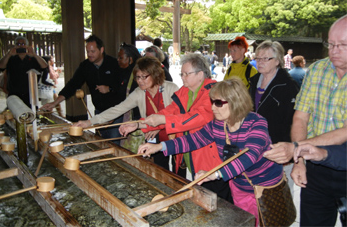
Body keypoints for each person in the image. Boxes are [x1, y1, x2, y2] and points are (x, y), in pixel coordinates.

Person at [137, 77, 283, 225]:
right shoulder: (217, 124)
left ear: (235, 101)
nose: (213, 108)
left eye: (218, 103)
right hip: (239, 186)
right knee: (245, 221)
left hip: (264, 188)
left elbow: (249, 156)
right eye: (212, 102)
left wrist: (215, 174)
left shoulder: (257, 123)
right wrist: (160, 147)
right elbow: (192, 140)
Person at [263, 15, 347, 227]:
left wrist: (297, 148)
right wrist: (299, 161)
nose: (334, 50)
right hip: (316, 165)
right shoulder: (317, 70)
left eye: (342, 45)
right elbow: (300, 116)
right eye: (331, 44)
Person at [120, 53, 233, 202]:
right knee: (203, 197)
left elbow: (197, 117)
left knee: (219, 200)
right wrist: (139, 124)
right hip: (192, 154)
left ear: (201, 74)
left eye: (187, 74)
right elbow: (169, 111)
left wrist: (163, 120)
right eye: (182, 73)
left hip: (210, 158)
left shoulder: (213, 91)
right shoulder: (185, 91)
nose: (182, 77)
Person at [74, 56, 179, 168]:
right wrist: (89, 122)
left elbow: (179, 117)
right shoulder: (139, 93)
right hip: (155, 139)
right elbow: (117, 109)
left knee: (178, 169)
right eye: (137, 77)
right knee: (161, 168)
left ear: (155, 74)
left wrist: (158, 127)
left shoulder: (171, 89)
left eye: (144, 77)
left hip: (176, 136)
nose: (139, 81)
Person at [42, 35, 121, 138]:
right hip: (98, 112)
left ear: (101, 49)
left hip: (116, 111)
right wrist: (54, 103)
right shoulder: (85, 66)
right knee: (102, 140)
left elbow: (123, 87)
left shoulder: (114, 64)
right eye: (87, 51)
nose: (89, 54)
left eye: (92, 51)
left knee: (115, 142)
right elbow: (72, 85)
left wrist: (110, 89)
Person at [249, 40, 299, 194]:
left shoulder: (288, 86)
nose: (260, 62)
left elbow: (293, 121)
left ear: (277, 61)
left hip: (278, 149)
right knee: (256, 196)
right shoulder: (253, 81)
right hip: (254, 147)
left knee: (279, 197)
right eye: (258, 58)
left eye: (266, 58)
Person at [0, 36, 47, 107]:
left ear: (27, 46)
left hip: (30, 93)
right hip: (14, 92)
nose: (21, 46)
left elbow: (44, 66)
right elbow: (0, 66)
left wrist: (34, 54)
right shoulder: (10, 58)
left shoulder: (32, 58)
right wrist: (8, 54)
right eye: (18, 44)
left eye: (23, 44)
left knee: (31, 113)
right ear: (15, 46)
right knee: (14, 113)